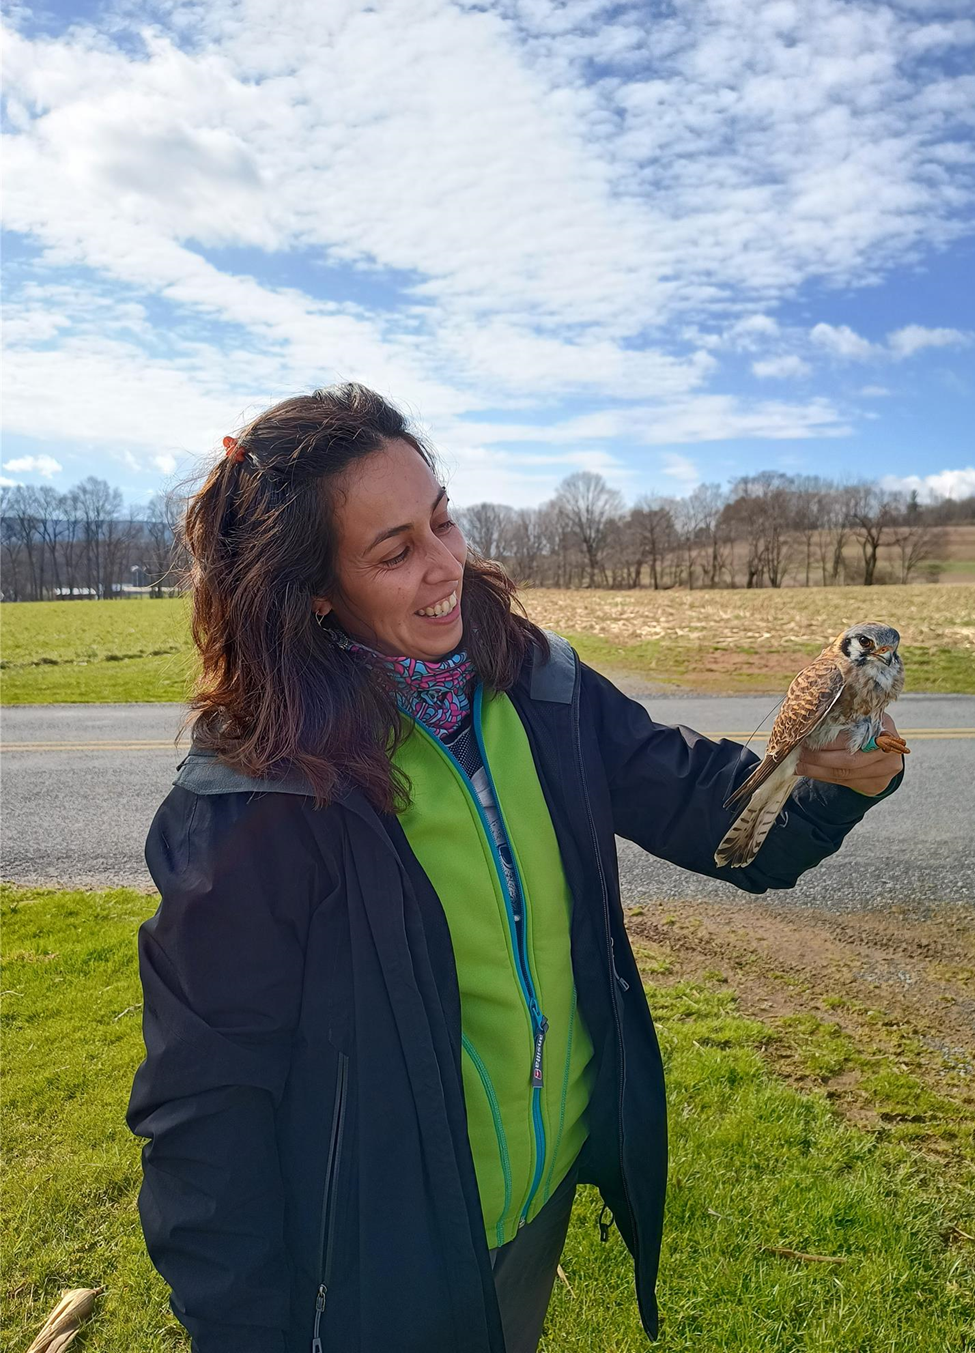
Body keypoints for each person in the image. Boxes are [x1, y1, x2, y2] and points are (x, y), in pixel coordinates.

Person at [125, 382, 905, 1353]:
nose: (444, 563)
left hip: (532, 1215)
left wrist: (830, 780)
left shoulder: (544, 689)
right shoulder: (255, 798)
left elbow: (722, 824)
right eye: (394, 549)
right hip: (374, 1267)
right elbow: (205, 1114)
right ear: (312, 588)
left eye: (442, 520)